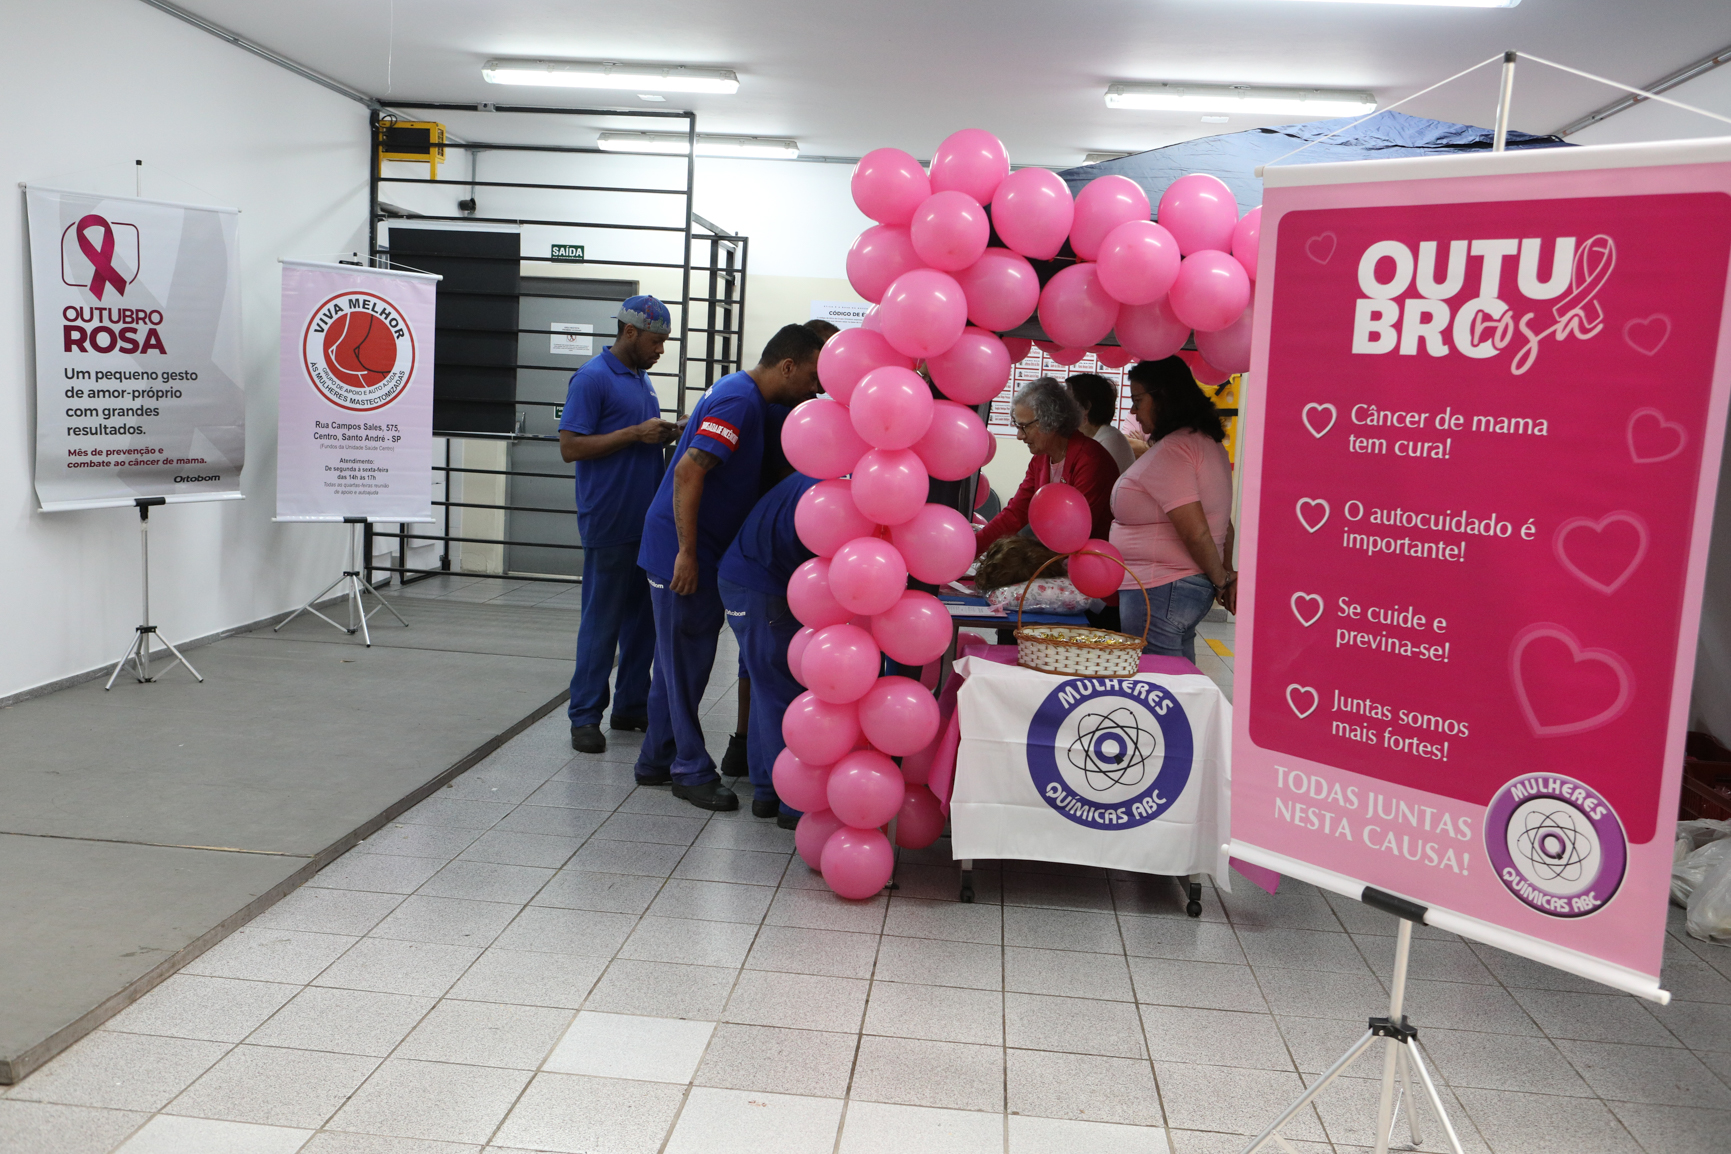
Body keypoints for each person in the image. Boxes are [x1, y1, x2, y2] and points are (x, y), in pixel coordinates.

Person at [635, 324, 826, 811]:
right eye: (810, 376)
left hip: (705, 547)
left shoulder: (749, 398)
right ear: (786, 365)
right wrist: (686, 552)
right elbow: (688, 470)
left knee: (678, 659)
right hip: (682, 550)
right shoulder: (740, 400)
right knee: (684, 665)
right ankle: (689, 769)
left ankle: (655, 759)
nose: (814, 388)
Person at [719, 317, 842, 780]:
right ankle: (771, 780)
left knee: (770, 671)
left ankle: (761, 769)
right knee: (770, 676)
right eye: (816, 371)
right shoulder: (768, 408)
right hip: (762, 559)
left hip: (771, 556)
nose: (820, 383)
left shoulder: (794, 413)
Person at [558, 295, 679, 754]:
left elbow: (637, 438)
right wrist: (635, 434)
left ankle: (631, 705)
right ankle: (585, 716)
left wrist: (667, 431)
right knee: (602, 622)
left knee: (643, 623)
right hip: (608, 519)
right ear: (630, 333)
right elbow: (571, 447)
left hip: (643, 520)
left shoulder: (641, 379)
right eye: (656, 341)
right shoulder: (591, 379)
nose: (660, 350)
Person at [1111, 356, 1236, 662]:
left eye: (1138, 400)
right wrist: (1223, 574)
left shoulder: (1176, 450)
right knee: (1177, 682)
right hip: (1174, 587)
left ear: (1164, 397)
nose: (1133, 411)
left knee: (1158, 685)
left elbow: (1196, 530)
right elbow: (1223, 523)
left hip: (1161, 588)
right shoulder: (1204, 442)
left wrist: (1222, 580)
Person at [718, 468, 819, 825]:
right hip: (758, 584)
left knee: (766, 686)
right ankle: (790, 802)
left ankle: (766, 792)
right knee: (780, 692)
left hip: (750, 577)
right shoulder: (833, 490)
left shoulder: (822, 474)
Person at [975, 376, 1117, 555]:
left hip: (1089, 563)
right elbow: (1014, 515)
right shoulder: (1040, 459)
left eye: (1024, 426)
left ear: (1051, 421)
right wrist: (972, 546)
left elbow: (1074, 532)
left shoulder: (1091, 460)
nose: (1020, 435)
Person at [1067, 372, 1136, 474]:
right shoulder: (1095, 438)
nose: (1061, 406)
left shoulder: (1110, 442)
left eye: (1067, 400)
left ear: (1086, 407)